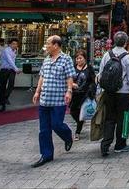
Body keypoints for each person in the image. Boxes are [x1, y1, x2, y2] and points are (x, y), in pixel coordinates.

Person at [31, 36, 77, 168]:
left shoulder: (66, 59)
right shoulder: (46, 60)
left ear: (56, 45)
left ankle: (67, 136)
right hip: (45, 100)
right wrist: (37, 92)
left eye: (48, 44)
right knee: (44, 129)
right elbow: (42, 76)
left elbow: (69, 76)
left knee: (57, 124)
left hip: (58, 100)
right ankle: (46, 154)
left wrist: (69, 91)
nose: (46, 46)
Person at [98, 31, 129, 157]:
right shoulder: (128, 57)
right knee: (123, 118)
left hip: (109, 91)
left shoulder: (106, 55)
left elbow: (101, 74)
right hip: (123, 92)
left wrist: (101, 90)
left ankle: (105, 145)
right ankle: (121, 144)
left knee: (109, 118)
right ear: (125, 43)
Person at [69, 49, 96, 141]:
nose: (78, 60)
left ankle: (77, 132)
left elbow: (93, 81)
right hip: (74, 94)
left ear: (84, 58)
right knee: (73, 111)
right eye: (77, 58)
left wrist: (91, 91)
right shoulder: (73, 68)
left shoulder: (89, 68)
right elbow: (68, 79)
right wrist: (71, 84)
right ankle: (80, 122)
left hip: (85, 95)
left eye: (80, 58)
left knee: (81, 112)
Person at [0, 38, 21, 112]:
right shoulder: (6, 50)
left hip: (11, 70)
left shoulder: (15, 51)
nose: (15, 45)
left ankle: (5, 98)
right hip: (4, 70)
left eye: (16, 44)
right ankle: (2, 105)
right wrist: (16, 69)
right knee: (2, 87)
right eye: (13, 44)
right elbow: (9, 60)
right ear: (10, 44)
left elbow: (13, 61)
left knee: (11, 84)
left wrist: (14, 69)